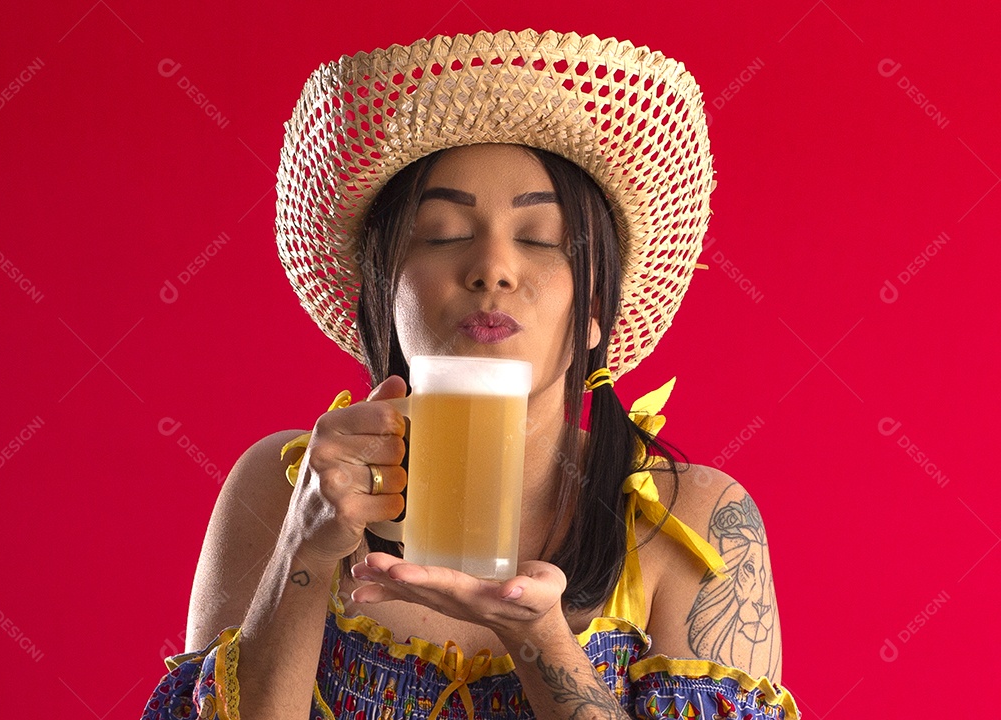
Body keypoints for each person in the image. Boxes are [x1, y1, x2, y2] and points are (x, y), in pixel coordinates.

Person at [141, 29, 798, 720]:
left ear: (597, 308)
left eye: (541, 240)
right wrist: (302, 559)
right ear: (382, 294)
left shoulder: (692, 521)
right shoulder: (276, 492)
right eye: (445, 232)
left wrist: (539, 638)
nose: (492, 268)